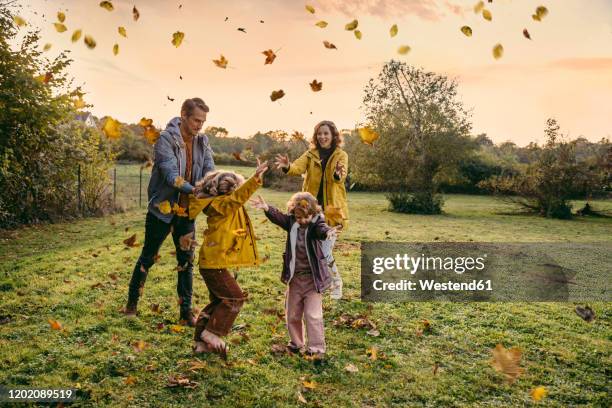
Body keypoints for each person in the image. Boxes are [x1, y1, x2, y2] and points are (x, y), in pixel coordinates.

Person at [124, 98, 215, 326]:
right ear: (183, 115)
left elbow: (209, 171)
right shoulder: (166, 139)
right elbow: (170, 174)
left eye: (203, 121)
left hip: (186, 213)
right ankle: (131, 305)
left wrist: (213, 186)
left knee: (186, 263)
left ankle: (186, 314)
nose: (199, 126)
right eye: (196, 120)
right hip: (161, 211)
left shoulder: (202, 142)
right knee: (148, 256)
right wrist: (195, 189)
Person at [189, 159, 269, 359]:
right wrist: (254, 179)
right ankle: (212, 333)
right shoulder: (222, 205)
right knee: (234, 298)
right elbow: (237, 199)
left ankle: (200, 341)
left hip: (213, 262)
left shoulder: (221, 204)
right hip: (214, 264)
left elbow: (237, 199)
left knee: (218, 301)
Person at [250, 192, 339, 358]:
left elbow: (321, 229)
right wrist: (267, 208)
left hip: (313, 280)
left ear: (313, 214)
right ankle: (296, 344)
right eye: (298, 217)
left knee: (313, 315)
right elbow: (279, 218)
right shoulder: (291, 222)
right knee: (292, 314)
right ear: (294, 214)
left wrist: (327, 233)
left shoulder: (315, 224)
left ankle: (316, 349)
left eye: (307, 217)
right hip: (295, 279)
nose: (303, 221)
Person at [274, 120, 348, 299]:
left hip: (332, 210)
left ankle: (336, 281)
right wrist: (287, 166)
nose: (322, 137)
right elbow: (297, 167)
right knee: (315, 250)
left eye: (326, 134)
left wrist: (337, 173)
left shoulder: (341, 154)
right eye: (319, 134)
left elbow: (340, 177)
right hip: (310, 211)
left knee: (325, 251)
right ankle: (320, 282)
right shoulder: (310, 154)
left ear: (333, 136)